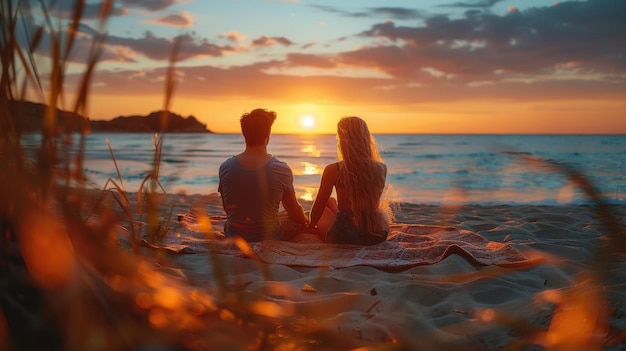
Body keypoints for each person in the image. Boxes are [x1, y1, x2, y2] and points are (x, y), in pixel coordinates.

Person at [218, 108, 308, 242]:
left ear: (244, 134)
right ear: (268, 134)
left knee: (280, 216)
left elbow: (228, 209)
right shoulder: (280, 169)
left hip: (234, 234)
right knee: (300, 218)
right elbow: (294, 212)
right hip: (270, 236)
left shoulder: (226, 167)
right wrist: (306, 221)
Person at [307, 116, 391, 245]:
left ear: (343, 141)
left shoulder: (334, 169)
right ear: (366, 139)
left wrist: (311, 227)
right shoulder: (381, 168)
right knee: (331, 202)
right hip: (376, 233)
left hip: (345, 235)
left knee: (325, 206)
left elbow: (318, 206)